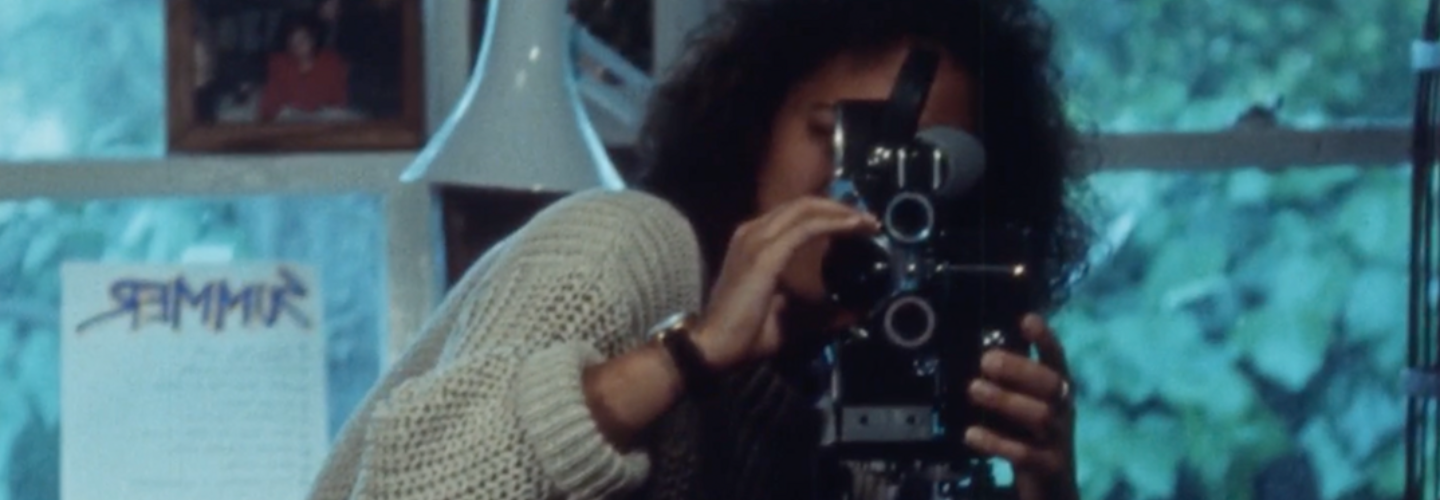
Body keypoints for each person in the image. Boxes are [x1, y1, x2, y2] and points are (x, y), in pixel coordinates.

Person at [306, 0, 1091, 499]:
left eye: (916, 167)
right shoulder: (627, 247)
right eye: (834, 137)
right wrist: (693, 353)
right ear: (753, 126)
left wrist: (1045, 489)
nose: (860, 191)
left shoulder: (862, 389)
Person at [258, 14, 351, 122]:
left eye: (303, 39)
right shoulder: (280, 64)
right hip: (291, 121)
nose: (298, 45)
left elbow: (339, 101)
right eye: (292, 41)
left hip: (325, 120)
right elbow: (269, 104)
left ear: (313, 39)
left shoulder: (330, 62)